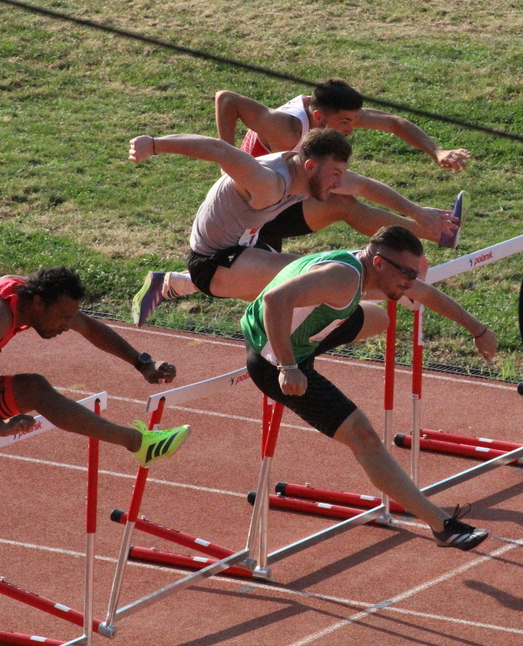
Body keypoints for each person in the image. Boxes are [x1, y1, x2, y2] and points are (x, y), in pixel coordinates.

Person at [241, 225, 493, 551]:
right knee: (365, 437)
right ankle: (442, 526)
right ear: (379, 263)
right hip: (272, 360)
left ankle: (311, 338)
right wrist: (288, 368)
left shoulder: (360, 270)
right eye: (406, 274)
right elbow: (275, 299)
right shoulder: (343, 279)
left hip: (296, 340)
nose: (411, 282)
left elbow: (427, 294)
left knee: (378, 318)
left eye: (415, 273)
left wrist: (478, 330)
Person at [129, 128, 461, 327]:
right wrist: (154, 144)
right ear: (311, 166)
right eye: (334, 175)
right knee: (315, 274)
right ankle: (404, 292)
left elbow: (363, 186)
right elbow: (218, 149)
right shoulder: (267, 183)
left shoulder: (310, 174)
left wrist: (417, 213)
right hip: (213, 261)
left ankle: (172, 284)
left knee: (333, 279)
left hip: (246, 246)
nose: (338, 182)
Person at [0, 267, 189, 467]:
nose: (67, 325)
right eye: (62, 317)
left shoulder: (23, 291)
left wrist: (141, 363)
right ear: (38, 303)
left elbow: (87, 326)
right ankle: (140, 445)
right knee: (34, 389)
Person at [217, 79, 470, 254]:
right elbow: (227, 99)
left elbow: (393, 122)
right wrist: (227, 161)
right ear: (319, 117)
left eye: (353, 121)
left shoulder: (327, 114)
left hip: (278, 197)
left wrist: (437, 151)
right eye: (345, 123)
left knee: (342, 193)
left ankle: (439, 233)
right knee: (341, 202)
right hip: (246, 210)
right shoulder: (286, 129)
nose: (350, 130)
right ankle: (438, 233)